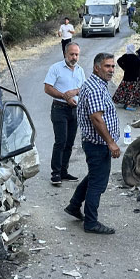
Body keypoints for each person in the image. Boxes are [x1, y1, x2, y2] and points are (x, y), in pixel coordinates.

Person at [63, 52, 121, 235]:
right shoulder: (96, 88)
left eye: (113, 66)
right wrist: (111, 143)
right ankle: (91, 222)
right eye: (107, 66)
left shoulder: (95, 83)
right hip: (98, 144)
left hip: (94, 143)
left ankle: (73, 206)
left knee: (93, 176)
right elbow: (96, 119)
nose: (111, 70)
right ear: (97, 67)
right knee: (98, 183)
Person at [44, 42, 85, 186]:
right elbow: (47, 88)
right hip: (59, 109)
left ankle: (63, 171)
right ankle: (55, 173)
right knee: (61, 141)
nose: (74, 57)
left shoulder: (80, 70)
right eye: (71, 54)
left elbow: (83, 89)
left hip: (75, 110)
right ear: (65, 54)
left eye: (76, 54)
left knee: (70, 142)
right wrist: (64, 96)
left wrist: (74, 92)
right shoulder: (56, 68)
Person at [112, 44, 140, 110]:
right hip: (134, 78)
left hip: (126, 76)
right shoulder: (135, 58)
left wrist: (124, 67)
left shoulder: (125, 56)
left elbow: (118, 61)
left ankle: (122, 102)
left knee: (123, 89)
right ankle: (128, 105)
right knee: (132, 92)